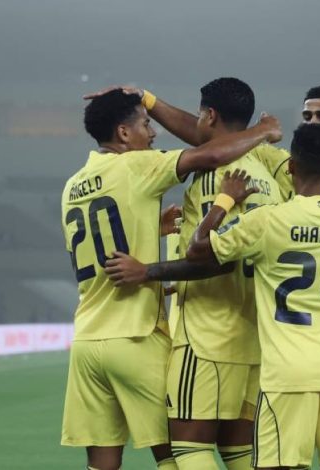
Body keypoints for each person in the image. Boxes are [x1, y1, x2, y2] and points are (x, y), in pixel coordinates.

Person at [61, 89, 281, 470]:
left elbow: (107, 234)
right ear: (124, 133)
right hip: (136, 336)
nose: (153, 133)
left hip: (86, 340)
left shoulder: (73, 184)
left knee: (101, 462)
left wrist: (152, 227)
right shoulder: (137, 166)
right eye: (146, 125)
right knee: (179, 453)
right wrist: (263, 131)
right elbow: (209, 154)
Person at [186, 123, 320, 469]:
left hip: (288, 373)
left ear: (290, 166)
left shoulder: (266, 220)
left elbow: (197, 250)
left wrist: (225, 200)